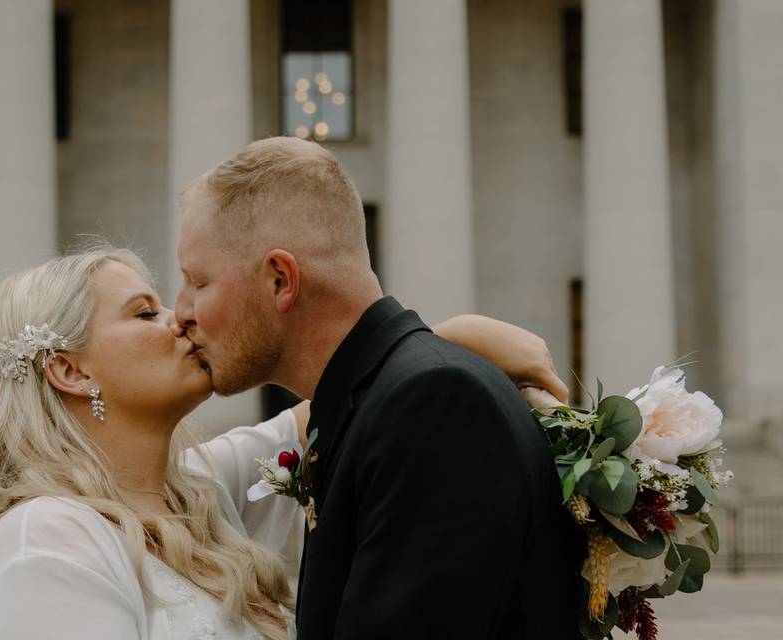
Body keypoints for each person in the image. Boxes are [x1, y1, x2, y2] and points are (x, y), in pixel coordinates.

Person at [0, 244, 566, 639]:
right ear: (71, 371)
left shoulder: (200, 491)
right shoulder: (45, 543)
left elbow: (349, 393)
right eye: (145, 314)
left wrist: (447, 339)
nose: (182, 319)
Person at [173, 137, 581, 638]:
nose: (181, 311)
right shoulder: (376, 400)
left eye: (197, 281)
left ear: (281, 280)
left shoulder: (433, 405)